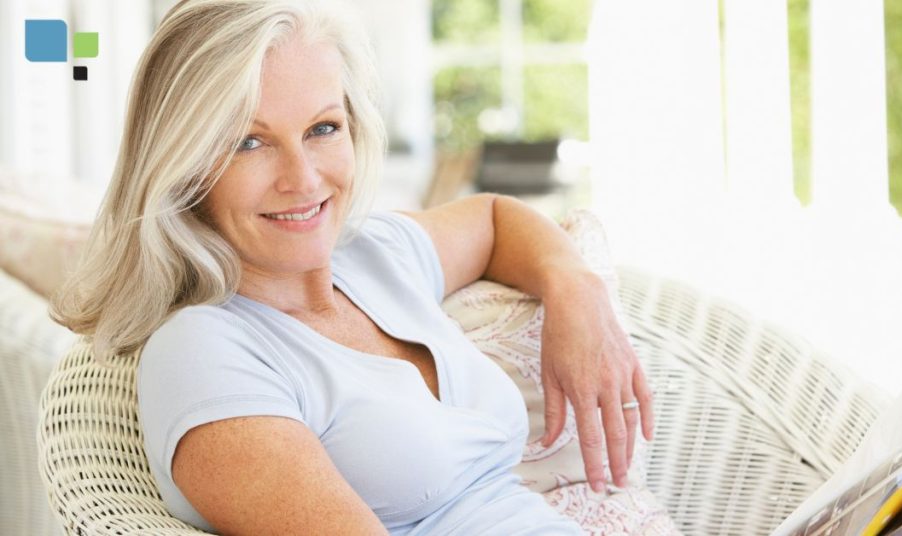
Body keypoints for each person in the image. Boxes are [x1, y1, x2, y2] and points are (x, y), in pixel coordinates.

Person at [49, 0, 653, 534]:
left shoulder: (372, 256)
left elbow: (494, 219)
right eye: (247, 142)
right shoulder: (203, 352)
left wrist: (576, 286)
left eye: (322, 128)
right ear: (181, 166)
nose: (304, 179)